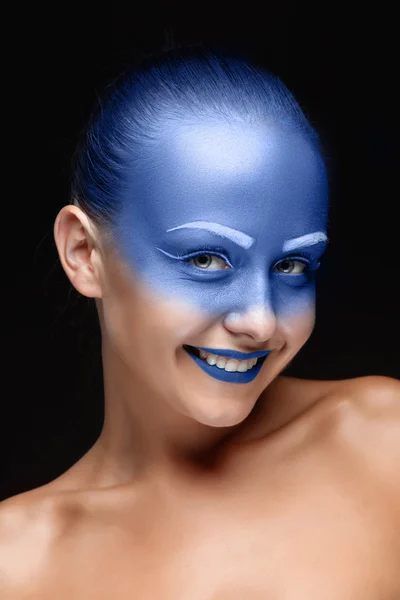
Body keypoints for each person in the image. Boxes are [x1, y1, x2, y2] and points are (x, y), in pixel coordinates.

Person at [1, 45, 399, 599]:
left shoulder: (382, 443)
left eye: (292, 266)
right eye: (206, 260)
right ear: (84, 253)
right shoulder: (17, 564)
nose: (260, 322)